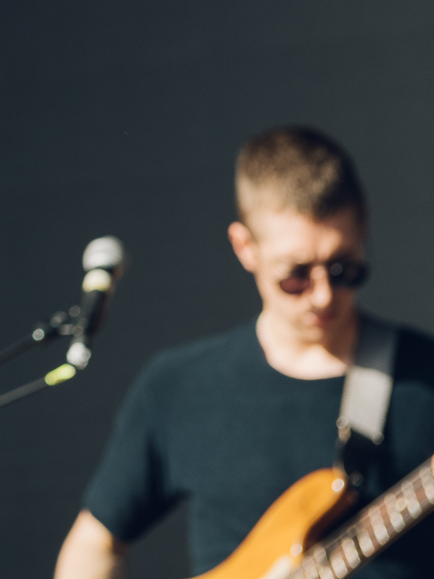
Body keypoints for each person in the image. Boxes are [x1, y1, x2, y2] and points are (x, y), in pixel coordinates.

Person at [54, 126, 434, 579]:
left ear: (364, 227)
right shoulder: (179, 386)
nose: (323, 295)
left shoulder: (424, 374)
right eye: (296, 275)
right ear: (245, 247)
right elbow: (94, 546)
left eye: (343, 267)